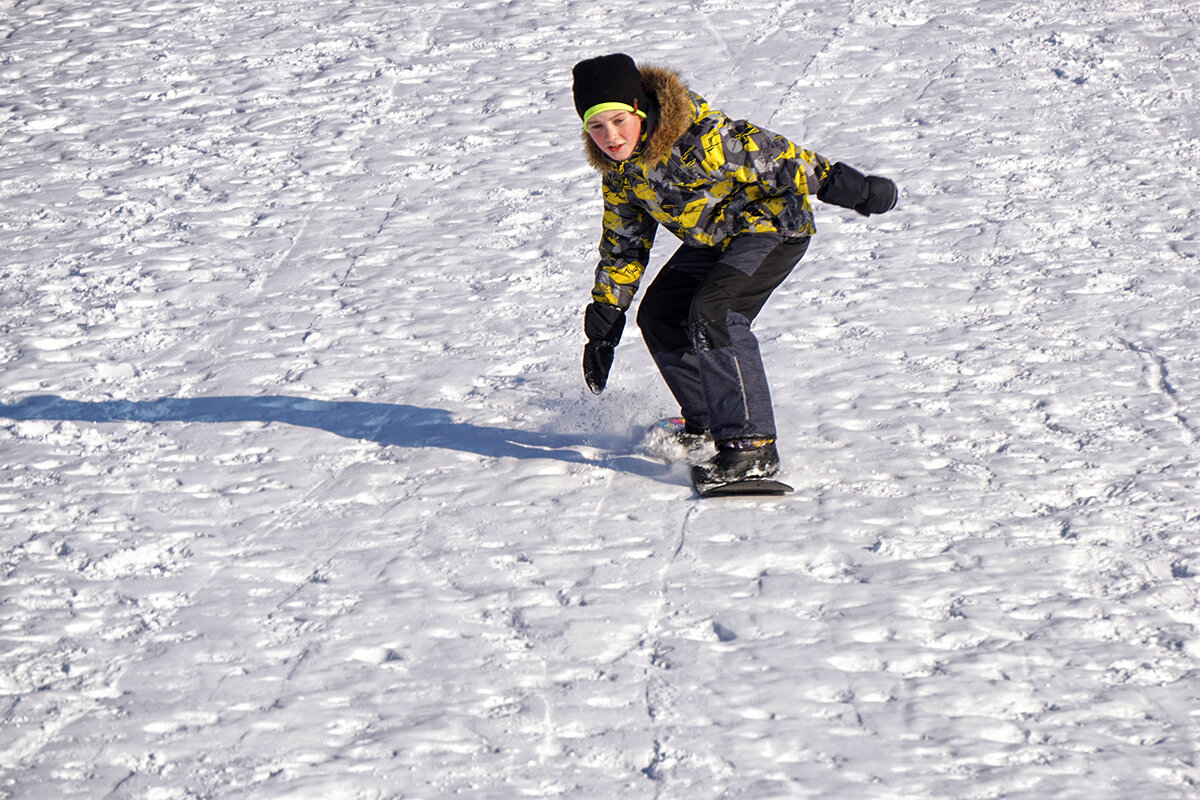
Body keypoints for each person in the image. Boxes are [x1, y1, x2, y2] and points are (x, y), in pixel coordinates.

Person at [572, 53, 897, 487]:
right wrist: (605, 322)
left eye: (618, 120)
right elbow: (623, 247)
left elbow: (785, 160)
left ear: (640, 109)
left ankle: (751, 448)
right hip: (714, 240)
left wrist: (859, 191)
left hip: (771, 226)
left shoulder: (703, 138)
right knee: (660, 314)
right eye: (596, 126)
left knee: (716, 312)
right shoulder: (620, 173)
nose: (610, 136)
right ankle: (707, 419)